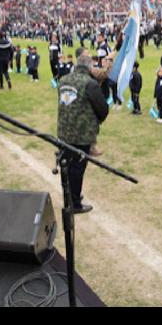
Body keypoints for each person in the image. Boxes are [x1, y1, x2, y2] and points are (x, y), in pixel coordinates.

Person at [57, 53, 110, 214]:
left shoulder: (63, 80)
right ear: (89, 67)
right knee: (77, 169)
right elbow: (102, 108)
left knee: (66, 166)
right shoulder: (90, 84)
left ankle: (69, 197)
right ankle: (74, 203)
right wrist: (96, 120)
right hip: (81, 134)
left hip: (64, 132)